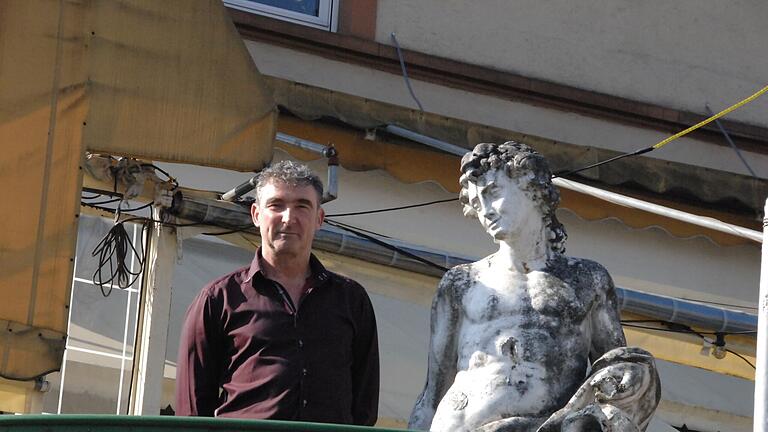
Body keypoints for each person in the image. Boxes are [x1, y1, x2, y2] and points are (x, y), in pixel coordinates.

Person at [408, 142, 658, 432]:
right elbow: (433, 391)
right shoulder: (462, 283)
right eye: (477, 203)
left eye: (493, 193)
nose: (485, 211)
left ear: (531, 187)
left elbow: (616, 376)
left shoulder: (587, 280)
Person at [175, 160, 380, 425]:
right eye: (276, 205)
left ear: (319, 219)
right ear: (256, 214)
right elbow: (191, 412)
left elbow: (364, 409)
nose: (288, 217)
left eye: (302, 206)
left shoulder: (352, 301)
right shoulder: (218, 299)